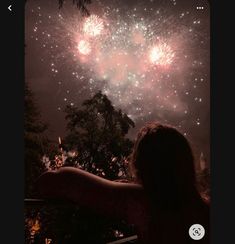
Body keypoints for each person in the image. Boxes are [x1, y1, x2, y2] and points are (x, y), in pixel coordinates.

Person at [37, 122, 209, 244]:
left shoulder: (145, 202)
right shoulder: (204, 208)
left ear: (142, 164)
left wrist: (127, 189)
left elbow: (51, 181)